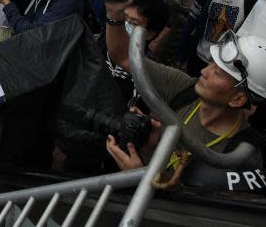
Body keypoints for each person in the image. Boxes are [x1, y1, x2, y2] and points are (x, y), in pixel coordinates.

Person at [105, 30, 264, 190]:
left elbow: (190, 211)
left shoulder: (241, 156)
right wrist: (149, 147)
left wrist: (138, 176)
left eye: (217, 73)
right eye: (210, 63)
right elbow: (124, 57)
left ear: (237, 99)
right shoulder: (185, 90)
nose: (204, 71)